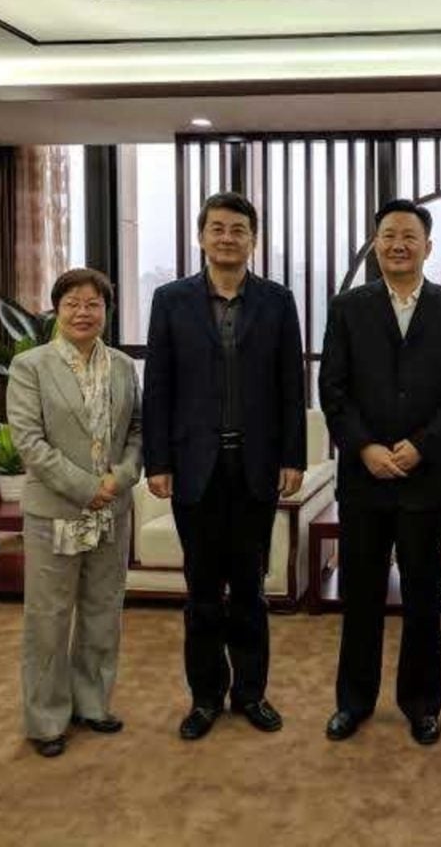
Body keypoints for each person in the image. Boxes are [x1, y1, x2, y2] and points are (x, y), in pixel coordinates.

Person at [142, 192, 306, 741]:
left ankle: (252, 694)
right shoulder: (171, 300)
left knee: (251, 588)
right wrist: (158, 461)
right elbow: (158, 385)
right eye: (217, 228)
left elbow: (291, 384)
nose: (228, 237)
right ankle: (206, 697)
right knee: (203, 591)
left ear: (253, 240)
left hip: (255, 468)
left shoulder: (278, 301)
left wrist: (292, 456)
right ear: (202, 237)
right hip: (194, 469)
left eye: (239, 229)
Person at [318, 198, 441, 745]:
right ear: (375, 243)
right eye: (388, 235)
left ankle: (422, 703)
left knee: (421, 597)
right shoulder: (347, 308)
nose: (398, 245)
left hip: (426, 478)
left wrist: (421, 445)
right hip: (365, 479)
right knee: (360, 596)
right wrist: (363, 448)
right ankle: (354, 702)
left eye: (409, 236)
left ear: (427, 246)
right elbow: (333, 390)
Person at [7, 268, 143, 758]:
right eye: (73, 304)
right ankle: (46, 720)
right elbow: (29, 442)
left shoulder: (125, 367)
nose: (83, 313)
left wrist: (120, 478)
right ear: (57, 310)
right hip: (56, 512)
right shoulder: (31, 366)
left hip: (111, 510)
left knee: (103, 611)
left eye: (94, 304)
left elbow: (136, 434)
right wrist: (88, 488)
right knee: (48, 616)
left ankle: (93, 704)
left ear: (106, 311)